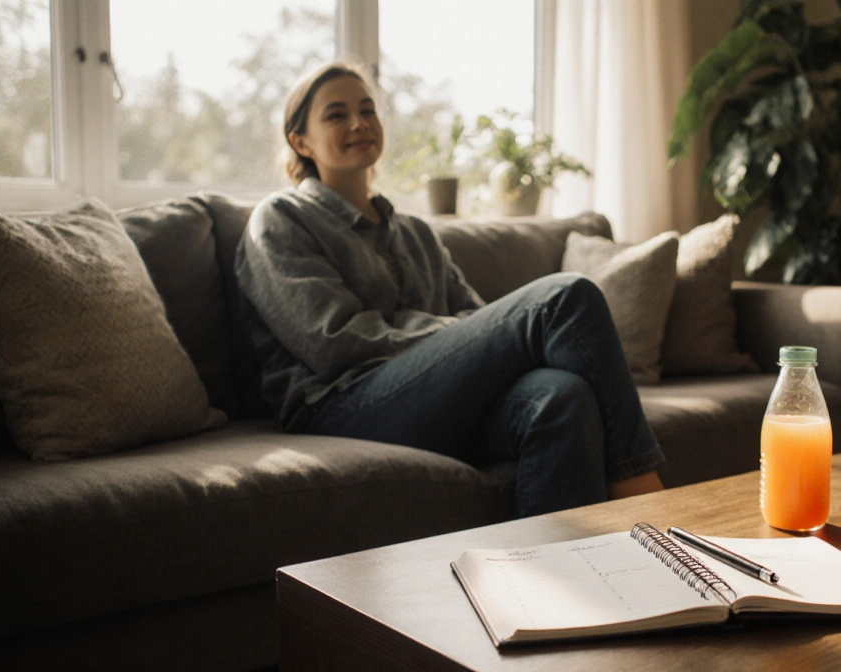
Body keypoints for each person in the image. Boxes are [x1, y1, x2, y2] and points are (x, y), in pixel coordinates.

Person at [235, 62, 664, 517]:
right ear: (300, 142)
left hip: (428, 405)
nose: (359, 123)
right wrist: (451, 340)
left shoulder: (416, 233)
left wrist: (458, 343)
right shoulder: (281, 218)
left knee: (562, 397)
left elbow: (474, 318)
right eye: (336, 115)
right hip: (338, 404)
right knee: (566, 299)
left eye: (367, 110)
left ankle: (556, 578)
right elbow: (334, 344)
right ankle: (648, 506)